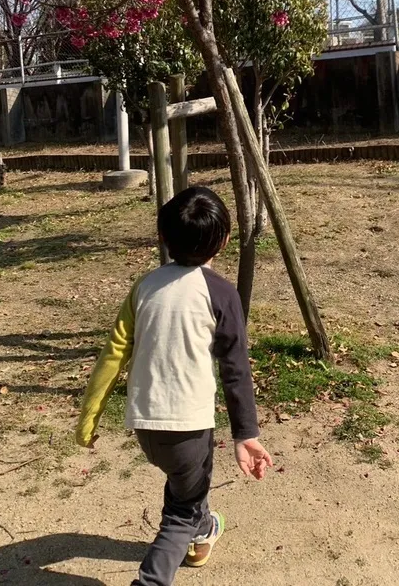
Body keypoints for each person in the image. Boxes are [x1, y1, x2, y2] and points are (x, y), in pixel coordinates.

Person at [75, 186, 272, 586]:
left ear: (161, 236)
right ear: (226, 240)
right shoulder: (221, 294)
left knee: (186, 487)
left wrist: (88, 419)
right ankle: (153, 578)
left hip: (146, 427)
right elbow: (235, 368)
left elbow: (113, 355)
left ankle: (202, 532)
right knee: (181, 510)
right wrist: (246, 433)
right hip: (189, 429)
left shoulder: (145, 287)